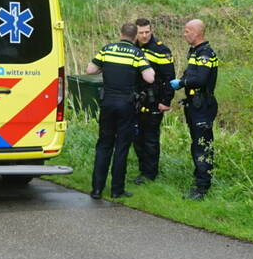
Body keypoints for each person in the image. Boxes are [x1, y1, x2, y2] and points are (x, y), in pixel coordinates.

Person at [85, 23, 154, 200]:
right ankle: (117, 190)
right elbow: (149, 77)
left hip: (107, 103)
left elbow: (90, 70)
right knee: (121, 147)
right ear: (135, 37)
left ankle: (97, 189)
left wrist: (104, 68)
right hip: (126, 105)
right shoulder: (136, 53)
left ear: (120, 34)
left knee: (104, 145)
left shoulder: (107, 49)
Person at [169, 19, 219, 200]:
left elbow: (201, 79)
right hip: (194, 104)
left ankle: (202, 188)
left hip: (203, 105)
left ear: (197, 33)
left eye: (187, 31)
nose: (184, 34)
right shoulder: (194, 51)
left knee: (202, 146)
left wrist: (182, 83)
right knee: (196, 143)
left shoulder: (205, 53)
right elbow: (191, 73)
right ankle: (199, 179)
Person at [132, 18, 175, 184]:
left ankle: (149, 174)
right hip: (136, 100)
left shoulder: (161, 50)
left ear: (151, 30)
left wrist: (166, 101)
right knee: (137, 138)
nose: (144, 36)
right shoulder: (133, 47)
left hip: (154, 100)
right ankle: (142, 169)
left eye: (147, 32)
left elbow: (169, 78)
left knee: (150, 139)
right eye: (140, 33)